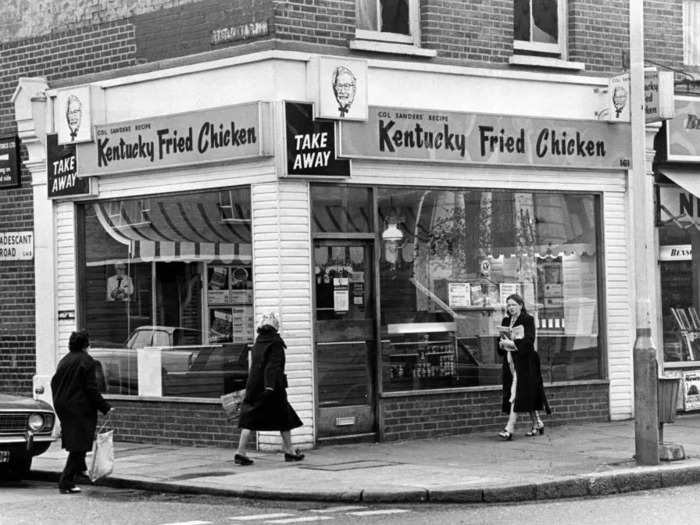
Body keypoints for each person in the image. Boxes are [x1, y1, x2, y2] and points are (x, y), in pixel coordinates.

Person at [234, 312, 304, 465]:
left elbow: (256, 365)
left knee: (249, 418)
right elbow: (272, 367)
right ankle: (289, 451)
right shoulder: (276, 343)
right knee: (284, 417)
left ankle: (241, 451)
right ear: (275, 327)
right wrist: (270, 387)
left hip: (254, 385)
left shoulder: (259, 342)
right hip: (272, 388)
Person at [51, 330, 112, 494]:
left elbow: (54, 382)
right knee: (78, 445)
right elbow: (91, 388)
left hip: (63, 406)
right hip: (79, 407)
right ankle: (66, 482)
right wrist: (105, 407)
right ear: (86, 344)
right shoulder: (87, 361)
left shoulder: (64, 360)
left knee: (77, 439)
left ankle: (80, 470)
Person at [497, 293, 551, 440]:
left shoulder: (528, 320)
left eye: (513, 304)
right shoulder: (506, 320)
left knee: (516, 393)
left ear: (520, 305)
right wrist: (502, 343)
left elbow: (529, 341)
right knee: (525, 393)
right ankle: (537, 423)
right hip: (510, 362)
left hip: (526, 363)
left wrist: (514, 343)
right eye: (508, 305)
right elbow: (501, 344)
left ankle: (509, 429)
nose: (510, 308)